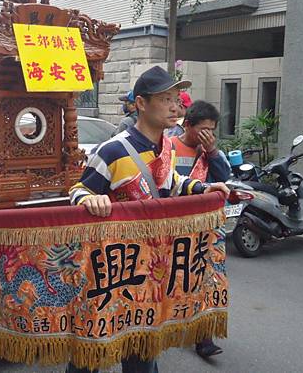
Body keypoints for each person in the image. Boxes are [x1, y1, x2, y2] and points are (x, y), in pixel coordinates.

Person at [68, 66, 229, 373]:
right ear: (141, 104)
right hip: (111, 267)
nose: (175, 106)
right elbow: (78, 190)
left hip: (150, 267)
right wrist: (90, 198)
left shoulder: (165, 146)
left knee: (141, 347)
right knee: (92, 348)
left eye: (176, 99)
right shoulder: (113, 150)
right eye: (165, 99)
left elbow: (173, 182)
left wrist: (206, 188)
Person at [169, 99, 231, 359]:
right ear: (187, 124)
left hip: (206, 227)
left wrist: (213, 151)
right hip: (173, 227)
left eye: (212, 131)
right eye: (203, 129)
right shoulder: (168, 148)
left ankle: (203, 337)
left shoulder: (211, 153)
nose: (208, 135)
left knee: (208, 281)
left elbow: (225, 178)